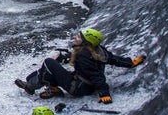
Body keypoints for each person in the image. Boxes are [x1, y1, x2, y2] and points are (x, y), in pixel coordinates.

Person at [15, 28, 145, 104]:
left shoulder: (83, 55)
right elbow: (113, 59)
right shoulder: (97, 50)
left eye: (79, 37)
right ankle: (51, 88)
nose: (76, 38)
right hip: (85, 84)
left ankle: (30, 86)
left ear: (85, 41)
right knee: (51, 68)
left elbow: (96, 75)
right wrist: (130, 63)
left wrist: (104, 93)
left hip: (79, 88)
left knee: (48, 63)